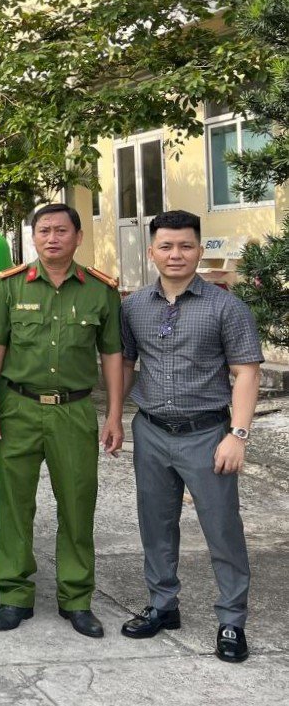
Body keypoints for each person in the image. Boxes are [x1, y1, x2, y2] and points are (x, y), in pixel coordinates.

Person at [0, 203, 124, 638]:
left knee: (78, 504)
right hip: (17, 409)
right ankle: (14, 595)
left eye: (61, 230)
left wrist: (114, 414)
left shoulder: (100, 291)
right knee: (15, 504)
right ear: (33, 238)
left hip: (74, 411)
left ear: (78, 237)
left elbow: (112, 354)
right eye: (43, 231)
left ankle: (76, 599)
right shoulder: (9, 287)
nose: (52, 238)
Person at [119, 210, 261, 663]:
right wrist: (115, 419)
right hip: (152, 432)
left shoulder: (226, 307)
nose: (175, 254)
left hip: (208, 434)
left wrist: (237, 434)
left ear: (199, 249)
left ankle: (232, 621)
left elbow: (245, 372)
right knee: (156, 526)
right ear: (152, 252)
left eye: (185, 246)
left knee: (222, 530)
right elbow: (124, 363)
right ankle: (163, 606)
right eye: (166, 246)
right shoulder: (134, 307)